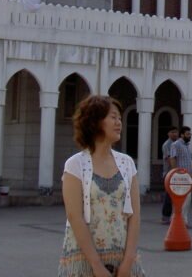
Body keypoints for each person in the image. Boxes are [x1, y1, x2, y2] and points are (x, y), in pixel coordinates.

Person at [58, 95, 145, 277]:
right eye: (113, 117)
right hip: (85, 261)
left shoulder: (127, 164)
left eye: (120, 118)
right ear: (95, 121)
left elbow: (135, 216)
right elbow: (75, 217)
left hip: (122, 260)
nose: (118, 122)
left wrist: (128, 261)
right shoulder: (75, 165)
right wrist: (96, 266)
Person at [168, 125, 192, 226]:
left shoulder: (187, 146)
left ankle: (182, 219)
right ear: (182, 135)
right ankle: (179, 220)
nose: (190, 136)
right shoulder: (176, 145)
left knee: (187, 198)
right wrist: (175, 173)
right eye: (188, 134)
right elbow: (173, 158)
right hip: (181, 177)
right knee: (180, 199)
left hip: (189, 177)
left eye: (190, 134)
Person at [160, 126, 179, 224]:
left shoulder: (177, 144)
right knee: (169, 195)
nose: (175, 134)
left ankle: (174, 215)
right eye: (172, 132)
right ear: (168, 134)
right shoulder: (167, 145)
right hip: (169, 173)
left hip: (175, 173)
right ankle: (165, 216)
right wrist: (174, 171)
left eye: (176, 132)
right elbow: (169, 158)